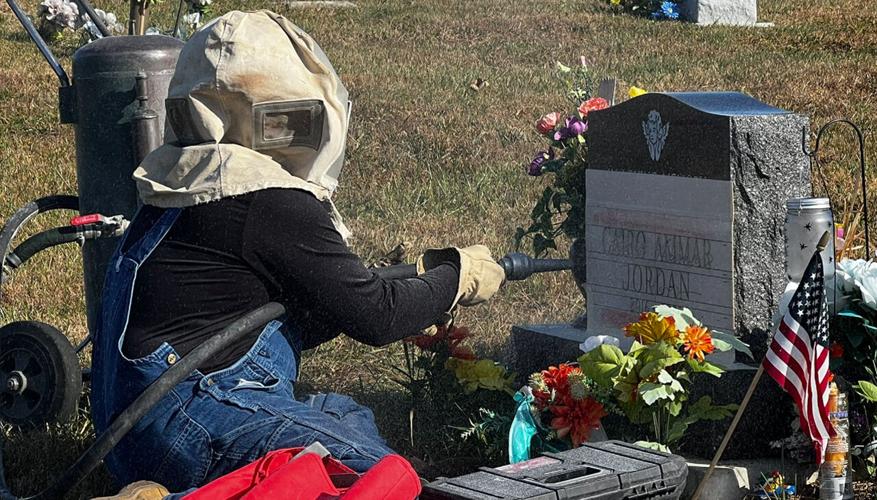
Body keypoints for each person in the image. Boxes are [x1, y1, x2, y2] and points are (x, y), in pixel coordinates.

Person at [89, 9, 505, 494]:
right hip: (189, 419)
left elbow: (285, 316)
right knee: (383, 478)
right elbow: (379, 319)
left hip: (136, 426)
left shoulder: (185, 180)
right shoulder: (265, 200)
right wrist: (459, 276)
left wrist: (403, 281)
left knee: (345, 415)